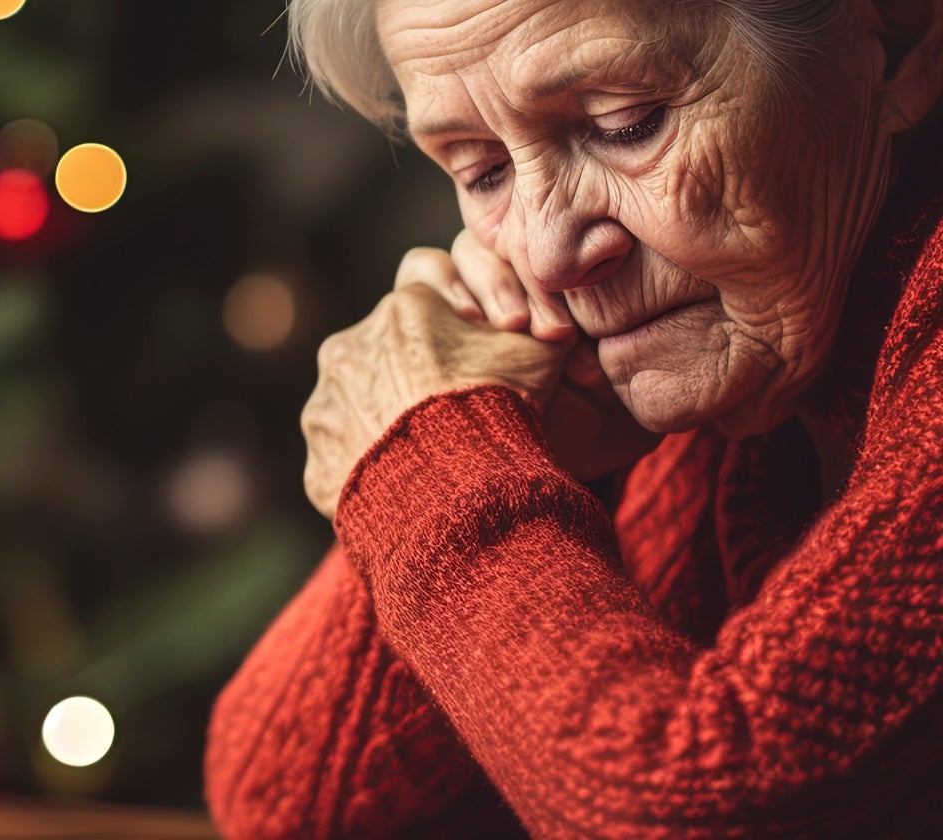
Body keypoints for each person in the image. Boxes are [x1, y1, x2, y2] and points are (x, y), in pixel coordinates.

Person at [205, 0, 943, 836]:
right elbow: (284, 799)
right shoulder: (727, 383)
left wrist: (429, 466)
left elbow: (700, 808)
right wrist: (496, 444)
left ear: (900, 39)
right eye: (483, 172)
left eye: (626, 125)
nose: (547, 254)